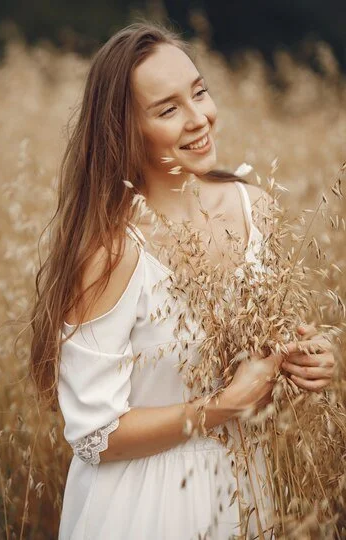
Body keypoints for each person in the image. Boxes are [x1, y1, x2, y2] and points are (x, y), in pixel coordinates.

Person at [29, 20, 335, 540]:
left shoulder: (255, 208)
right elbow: (95, 435)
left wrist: (307, 360)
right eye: (168, 109)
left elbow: (268, 347)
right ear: (123, 130)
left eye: (199, 93)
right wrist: (222, 407)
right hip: (144, 504)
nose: (200, 119)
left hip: (246, 491)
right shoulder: (114, 251)